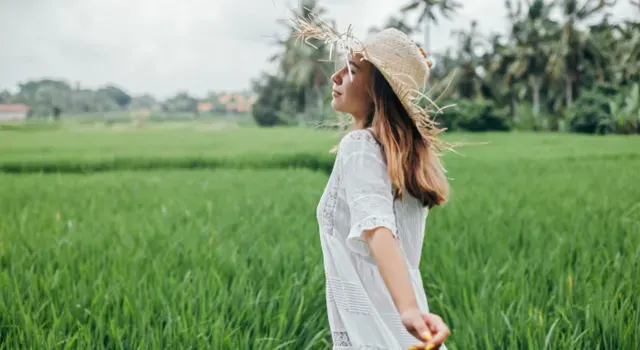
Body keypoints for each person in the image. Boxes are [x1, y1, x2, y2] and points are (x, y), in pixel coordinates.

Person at [295, 20, 456, 350]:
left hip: (382, 326)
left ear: (376, 91)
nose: (336, 76)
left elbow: (377, 228)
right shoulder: (402, 161)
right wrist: (410, 310)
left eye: (352, 69)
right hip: (401, 322)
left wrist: (409, 311)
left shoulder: (360, 146)